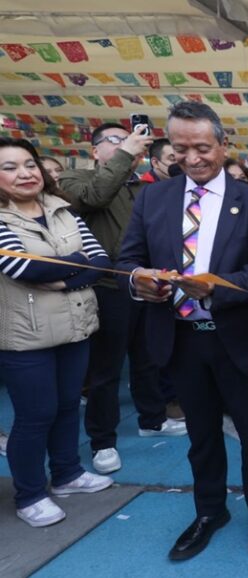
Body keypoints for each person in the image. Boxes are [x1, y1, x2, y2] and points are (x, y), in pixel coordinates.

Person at [117, 101, 248, 560]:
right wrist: (138, 280)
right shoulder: (153, 198)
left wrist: (213, 287)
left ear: (223, 145)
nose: (192, 158)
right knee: (201, 435)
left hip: (235, 337)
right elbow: (128, 259)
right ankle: (210, 511)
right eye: (181, 148)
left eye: (203, 148)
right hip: (180, 338)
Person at [0, 138, 114, 527]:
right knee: (36, 415)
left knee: (67, 406)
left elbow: (102, 261)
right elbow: (25, 269)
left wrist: (64, 277)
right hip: (24, 335)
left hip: (75, 325)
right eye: (10, 167)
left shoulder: (62, 209)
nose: (24, 173)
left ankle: (67, 474)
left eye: (29, 164)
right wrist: (78, 262)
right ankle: (30, 495)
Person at [59, 122, 183, 477]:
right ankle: (102, 441)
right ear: (95, 151)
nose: (126, 144)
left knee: (148, 358)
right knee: (107, 369)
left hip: (146, 283)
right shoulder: (74, 180)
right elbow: (95, 197)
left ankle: (153, 419)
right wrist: (126, 153)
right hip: (107, 287)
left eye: (128, 139)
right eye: (114, 140)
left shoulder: (141, 187)